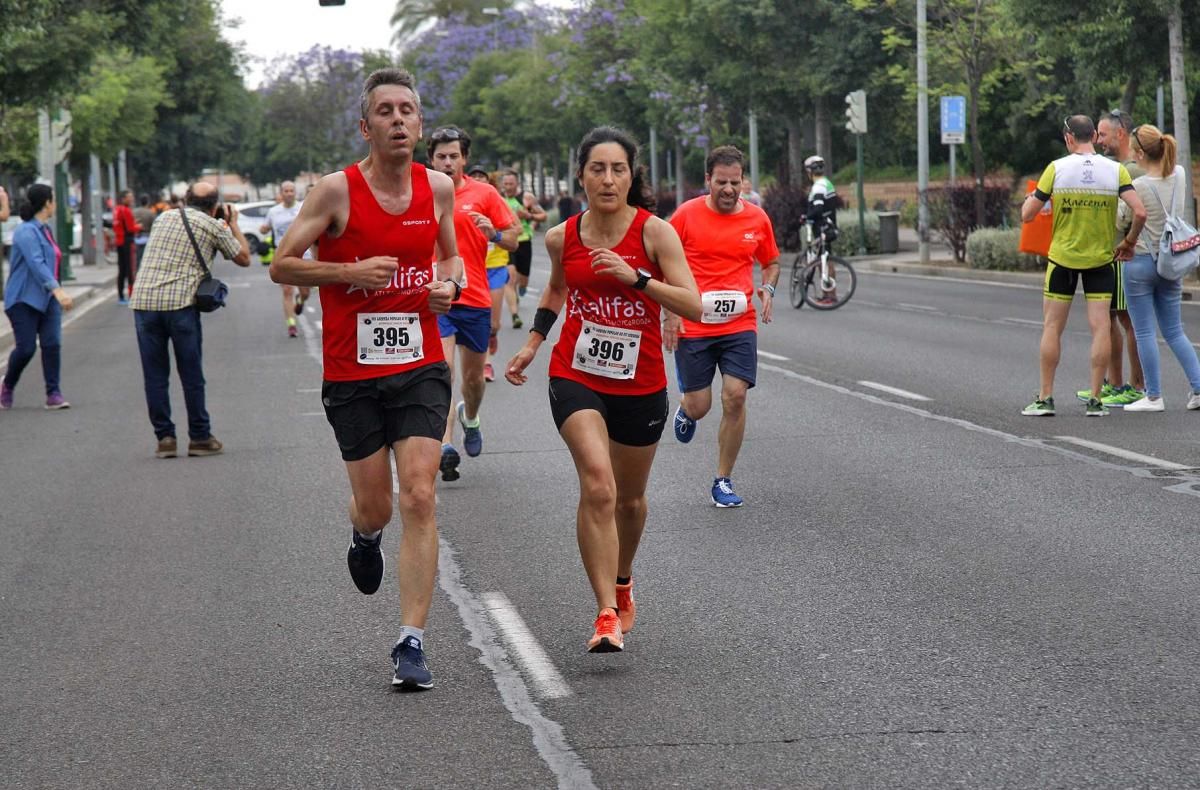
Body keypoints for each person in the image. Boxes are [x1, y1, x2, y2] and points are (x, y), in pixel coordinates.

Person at [270, 68, 462, 690]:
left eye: (409, 109)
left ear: (420, 123)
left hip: (420, 365)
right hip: (352, 372)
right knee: (378, 504)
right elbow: (282, 266)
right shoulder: (335, 192)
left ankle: (410, 640)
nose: (399, 119)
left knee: (420, 495)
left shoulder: (437, 189)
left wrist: (449, 286)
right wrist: (349, 271)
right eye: (386, 111)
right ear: (366, 126)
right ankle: (363, 531)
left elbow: (451, 256)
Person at [506, 126, 701, 653]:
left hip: (640, 382)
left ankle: (623, 579)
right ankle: (606, 613)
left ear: (631, 175)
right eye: (598, 169)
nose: (608, 179)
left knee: (631, 500)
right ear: (581, 175)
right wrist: (533, 343)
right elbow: (557, 287)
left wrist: (635, 278)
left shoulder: (655, 234)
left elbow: (692, 304)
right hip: (576, 371)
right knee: (598, 485)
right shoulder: (561, 236)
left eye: (618, 169)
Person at [664, 145, 780, 507]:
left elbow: (772, 261)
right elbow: (661, 260)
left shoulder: (757, 219)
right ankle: (686, 410)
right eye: (721, 182)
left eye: (736, 182)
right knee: (701, 406)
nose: (729, 189)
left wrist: (768, 287)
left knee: (736, 396)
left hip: (738, 323)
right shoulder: (685, 216)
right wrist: (671, 312)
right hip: (695, 324)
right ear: (707, 181)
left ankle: (723, 480)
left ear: (743, 181)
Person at [1020, 114, 1146, 417]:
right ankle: (1095, 400)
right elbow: (1140, 212)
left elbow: (1028, 215)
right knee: (1101, 326)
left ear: (1068, 138)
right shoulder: (1115, 171)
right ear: (1093, 135)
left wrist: (1030, 199)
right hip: (1101, 260)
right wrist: (1128, 243)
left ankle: (1046, 398)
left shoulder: (1056, 169)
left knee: (1052, 326)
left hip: (1062, 259)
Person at [130, 182, 250, 456]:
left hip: (144, 303)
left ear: (185, 199)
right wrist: (231, 224)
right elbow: (244, 258)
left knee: (155, 376)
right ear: (215, 205)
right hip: (180, 305)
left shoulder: (164, 218)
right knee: (191, 374)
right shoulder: (213, 226)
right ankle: (199, 436)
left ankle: (165, 440)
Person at [427, 126, 517, 482]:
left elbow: (512, 240)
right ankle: (446, 445)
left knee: (473, 379)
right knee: (443, 371)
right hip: (437, 297)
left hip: (474, 296)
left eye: (454, 156)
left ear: (464, 158)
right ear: (430, 159)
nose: (447, 163)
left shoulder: (485, 194)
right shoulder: (420, 192)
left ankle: (471, 417)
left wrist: (493, 233)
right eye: (440, 157)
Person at [1119, 124, 1200, 412]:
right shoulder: (1179, 175)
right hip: (1172, 263)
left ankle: (1153, 396)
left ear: (1139, 153)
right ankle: (1199, 387)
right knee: (1175, 331)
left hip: (1141, 262)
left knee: (1143, 332)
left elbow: (1122, 220)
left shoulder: (1139, 186)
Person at [1079, 108, 1146, 406]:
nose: (1099, 140)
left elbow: (1133, 216)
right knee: (1113, 318)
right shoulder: (1124, 167)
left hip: (1123, 255)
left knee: (1127, 320)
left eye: (1103, 134)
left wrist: (1127, 240)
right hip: (1118, 253)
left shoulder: (1130, 171)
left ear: (1120, 133)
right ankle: (1117, 383)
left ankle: (1133, 385)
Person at [1, 184, 74, 411]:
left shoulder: (45, 229)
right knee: (26, 348)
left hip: (47, 299)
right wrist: (57, 290)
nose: (55, 204)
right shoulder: (25, 231)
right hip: (23, 299)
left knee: (52, 344)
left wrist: (55, 291)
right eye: (53, 199)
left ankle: (53, 394)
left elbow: (52, 262)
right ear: (47, 203)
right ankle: (7, 386)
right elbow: (36, 262)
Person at [468, 165, 518, 383]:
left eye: (483, 177)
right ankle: (486, 364)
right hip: (472, 269)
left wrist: (495, 233)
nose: (479, 180)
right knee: (482, 321)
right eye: (475, 177)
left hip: (496, 266)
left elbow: (515, 229)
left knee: (494, 324)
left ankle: (493, 334)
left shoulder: (496, 202)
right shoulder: (462, 203)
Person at [261, 181, 312, 338]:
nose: (289, 193)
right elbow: (265, 228)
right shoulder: (274, 211)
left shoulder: (304, 207)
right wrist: (263, 229)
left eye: (291, 190)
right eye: (286, 191)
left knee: (305, 292)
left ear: (295, 193)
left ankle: (301, 301)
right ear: (281, 193)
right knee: (287, 290)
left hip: (304, 254)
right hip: (283, 255)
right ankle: (291, 324)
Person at [500, 169, 547, 324]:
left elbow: (543, 216)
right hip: (507, 241)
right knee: (511, 276)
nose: (508, 187)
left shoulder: (526, 198)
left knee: (523, 278)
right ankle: (515, 312)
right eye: (505, 184)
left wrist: (529, 216)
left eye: (511, 184)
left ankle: (522, 288)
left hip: (524, 240)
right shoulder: (498, 198)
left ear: (517, 184)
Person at [804, 155, 839, 304]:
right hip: (829, 226)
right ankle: (829, 294)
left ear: (809, 172)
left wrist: (805, 217)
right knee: (825, 259)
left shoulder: (818, 186)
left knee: (823, 261)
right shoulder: (826, 183)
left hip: (823, 228)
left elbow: (817, 209)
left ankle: (829, 295)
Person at [113, 189, 143, 305]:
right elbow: (130, 229)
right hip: (127, 242)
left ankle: (121, 296)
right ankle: (131, 294)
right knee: (130, 269)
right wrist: (138, 226)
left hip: (120, 242)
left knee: (121, 269)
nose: (132, 199)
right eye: (130, 197)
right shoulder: (125, 210)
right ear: (123, 198)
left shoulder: (117, 210)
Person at [132, 193, 156, 274]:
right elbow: (154, 225)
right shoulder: (150, 213)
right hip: (147, 237)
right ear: (148, 202)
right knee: (147, 258)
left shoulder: (134, 212)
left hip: (135, 237)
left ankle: (137, 273)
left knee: (137, 258)